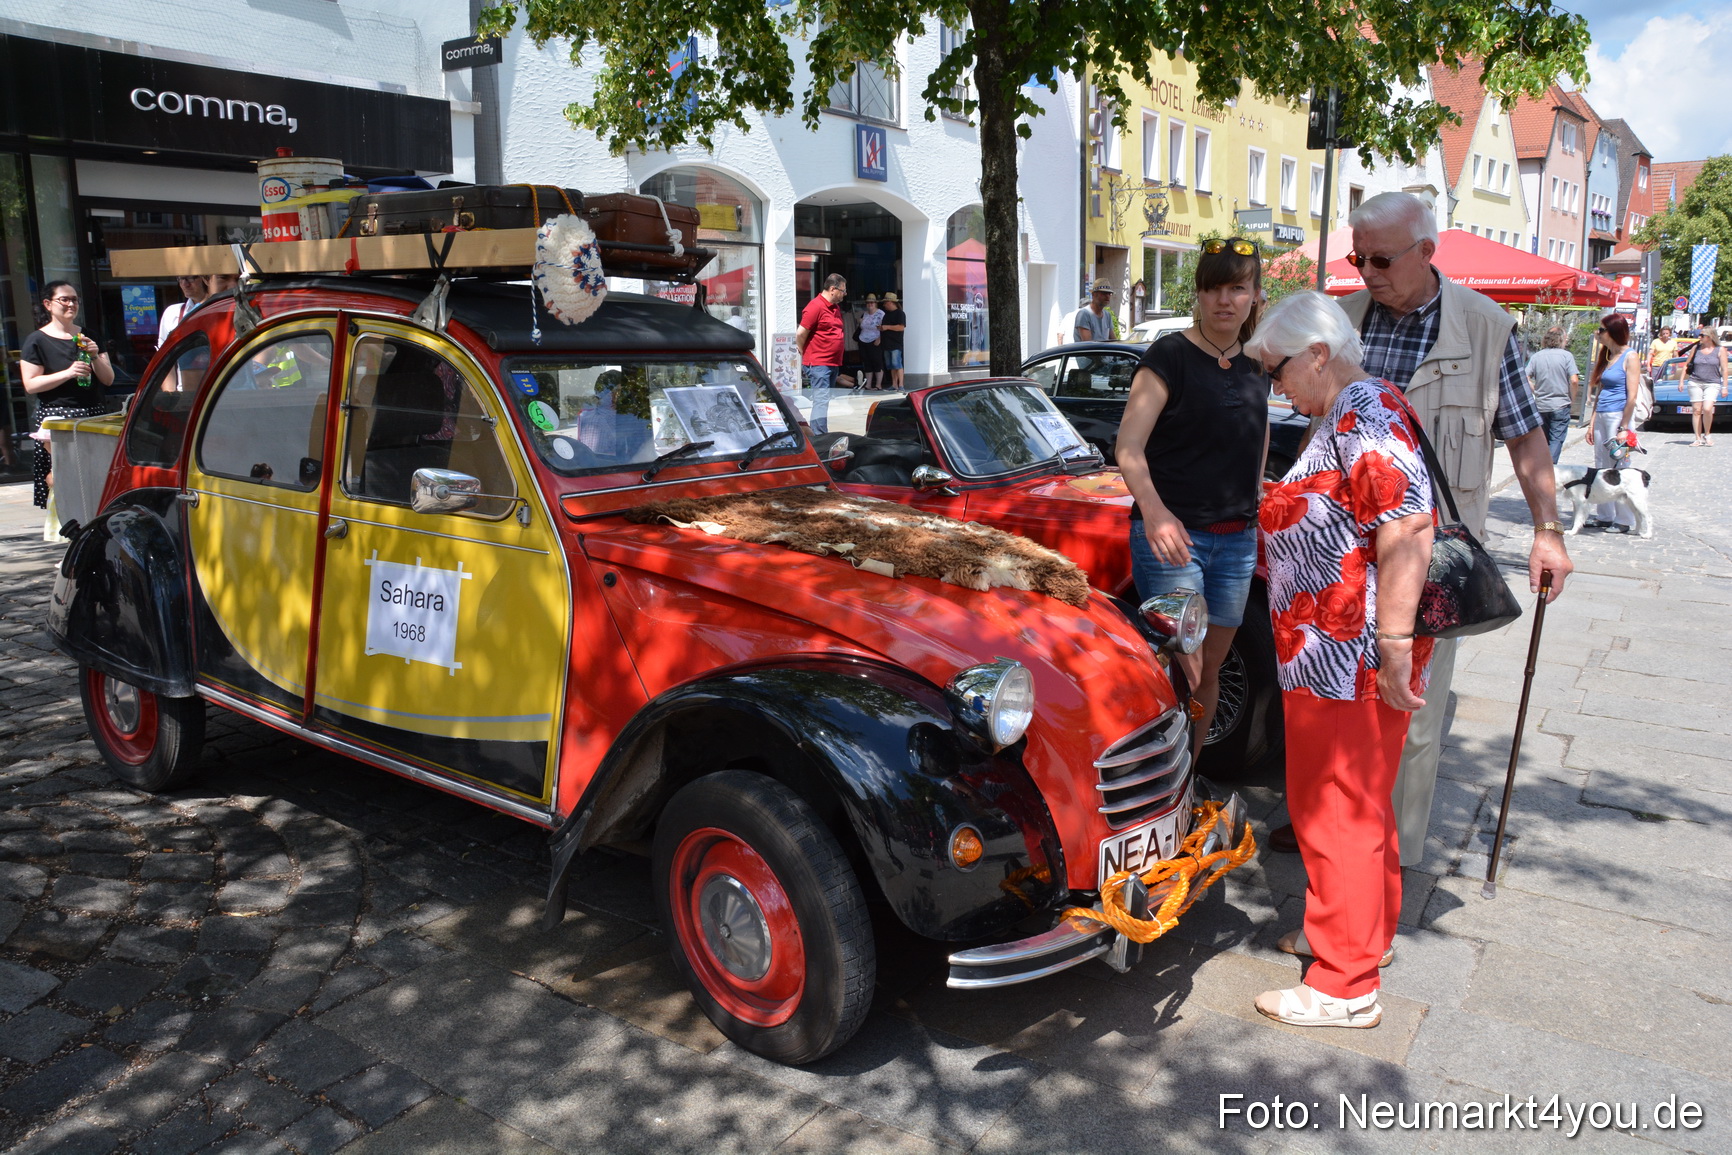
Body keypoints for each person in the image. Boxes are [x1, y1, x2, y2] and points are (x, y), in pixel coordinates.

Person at [1268, 192, 1571, 865]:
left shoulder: (1486, 326)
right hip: (1340, 574)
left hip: (1421, 562)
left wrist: (1547, 528)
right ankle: (1332, 835)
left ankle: (1382, 869)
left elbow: (1525, 440)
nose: (1366, 270)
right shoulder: (1340, 319)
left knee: (1414, 722)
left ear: (1425, 252)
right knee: (1338, 719)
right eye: (1358, 256)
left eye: (1380, 258)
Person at [1246, 291, 1435, 1028]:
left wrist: (1390, 644)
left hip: (1344, 656)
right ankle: (1356, 937)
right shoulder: (1353, 411)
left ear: (1318, 353)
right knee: (1358, 809)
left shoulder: (1364, 412)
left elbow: (1408, 528)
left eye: (1278, 369)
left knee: (1336, 810)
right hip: (1334, 654)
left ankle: (1343, 984)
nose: (1275, 386)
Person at [1116, 237, 1269, 761]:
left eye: (1237, 288)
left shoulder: (1258, 364)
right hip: (1175, 540)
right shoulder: (1170, 355)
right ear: (1199, 295)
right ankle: (1154, 782)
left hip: (1237, 541)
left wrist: (1259, 501)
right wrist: (1156, 516)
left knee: (1211, 672)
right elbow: (1128, 448)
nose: (1225, 300)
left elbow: (1259, 438)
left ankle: (1189, 780)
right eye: (1213, 288)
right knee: (1187, 668)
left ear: (1254, 295)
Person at [20, 282, 115, 510]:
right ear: (48, 304)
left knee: (95, 475)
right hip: (58, 416)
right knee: (63, 475)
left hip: (92, 414)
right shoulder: (37, 340)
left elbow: (108, 378)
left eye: (74, 299)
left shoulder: (88, 336)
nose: (71, 304)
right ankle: (66, 523)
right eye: (64, 299)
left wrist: (94, 356)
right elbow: (31, 384)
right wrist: (68, 373)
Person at [1524, 325, 1580, 462]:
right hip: (1561, 404)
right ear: (1561, 340)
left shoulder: (1537, 356)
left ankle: (1542, 467)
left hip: (1541, 405)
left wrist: (1535, 390)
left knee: (1543, 440)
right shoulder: (1567, 356)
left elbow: (1524, 377)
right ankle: (1549, 468)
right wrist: (1572, 398)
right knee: (1556, 439)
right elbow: (1574, 380)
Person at [797, 274, 847, 391]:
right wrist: (802, 349)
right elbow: (800, 333)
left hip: (833, 363)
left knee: (827, 399)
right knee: (821, 400)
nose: (845, 293)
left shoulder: (835, 307)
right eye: (843, 290)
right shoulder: (815, 306)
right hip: (819, 364)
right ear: (832, 289)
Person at [1680, 325, 1728, 447]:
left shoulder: (1720, 350)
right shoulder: (1696, 348)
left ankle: (1707, 434)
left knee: (1707, 408)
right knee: (1696, 410)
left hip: (1713, 382)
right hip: (1695, 382)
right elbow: (1687, 365)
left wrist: (1725, 386)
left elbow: (1724, 369)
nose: (1699, 337)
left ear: (1710, 336)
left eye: (1702, 335)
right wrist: (1681, 381)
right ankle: (1697, 438)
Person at [157, 274, 211, 348]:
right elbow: (163, 348)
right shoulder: (172, 312)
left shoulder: (221, 308)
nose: (185, 284)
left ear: (206, 279)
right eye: (181, 278)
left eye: (190, 278)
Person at [856, 293, 885, 391]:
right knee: (867, 362)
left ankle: (878, 385)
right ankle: (868, 384)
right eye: (868, 303)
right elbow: (861, 327)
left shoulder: (881, 314)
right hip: (863, 340)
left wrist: (880, 339)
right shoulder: (864, 314)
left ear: (876, 303)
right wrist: (860, 322)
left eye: (872, 302)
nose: (870, 304)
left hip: (875, 340)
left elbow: (884, 328)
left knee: (877, 362)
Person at [879, 291, 907, 390]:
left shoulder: (900, 313)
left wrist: (887, 327)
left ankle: (901, 385)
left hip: (896, 343)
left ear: (891, 302)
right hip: (887, 343)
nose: (884, 305)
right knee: (891, 365)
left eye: (886, 303)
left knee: (897, 364)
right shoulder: (886, 315)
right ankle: (894, 384)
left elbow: (901, 327)